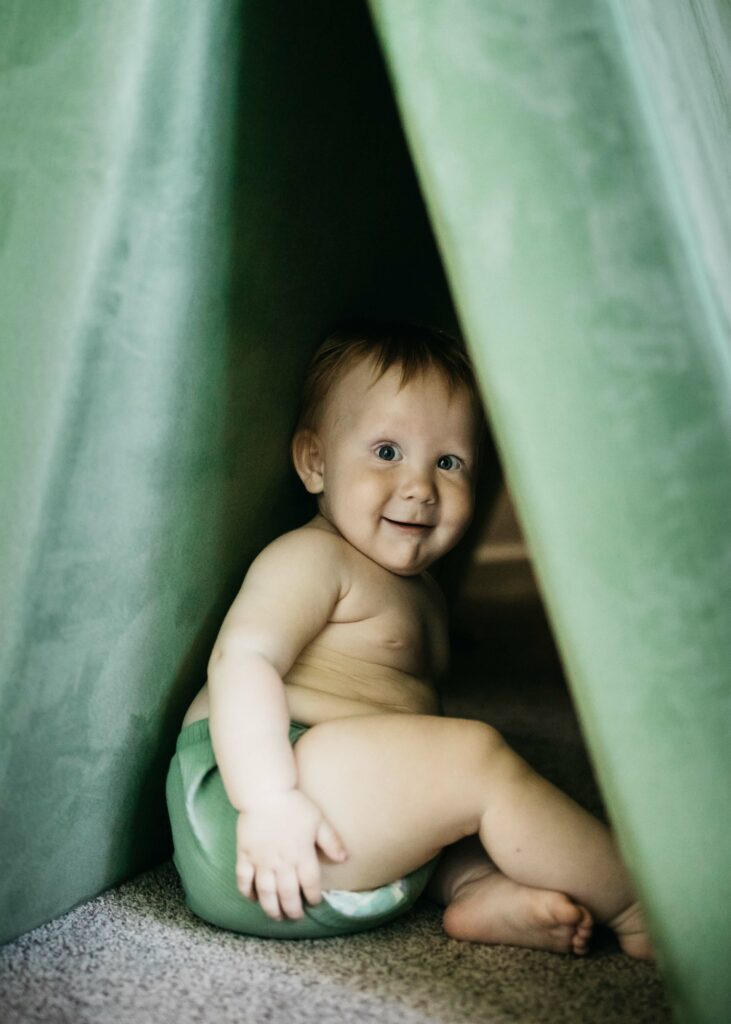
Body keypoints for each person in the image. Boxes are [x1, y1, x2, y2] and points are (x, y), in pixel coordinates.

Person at [166, 321, 652, 958]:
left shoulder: (422, 590)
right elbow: (242, 661)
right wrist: (268, 801)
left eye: (448, 462)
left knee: (440, 790)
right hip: (257, 809)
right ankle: (642, 906)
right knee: (473, 761)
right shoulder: (313, 558)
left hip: (352, 837)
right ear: (315, 462)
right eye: (386, 452)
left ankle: (475, 889)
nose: (421, 486)